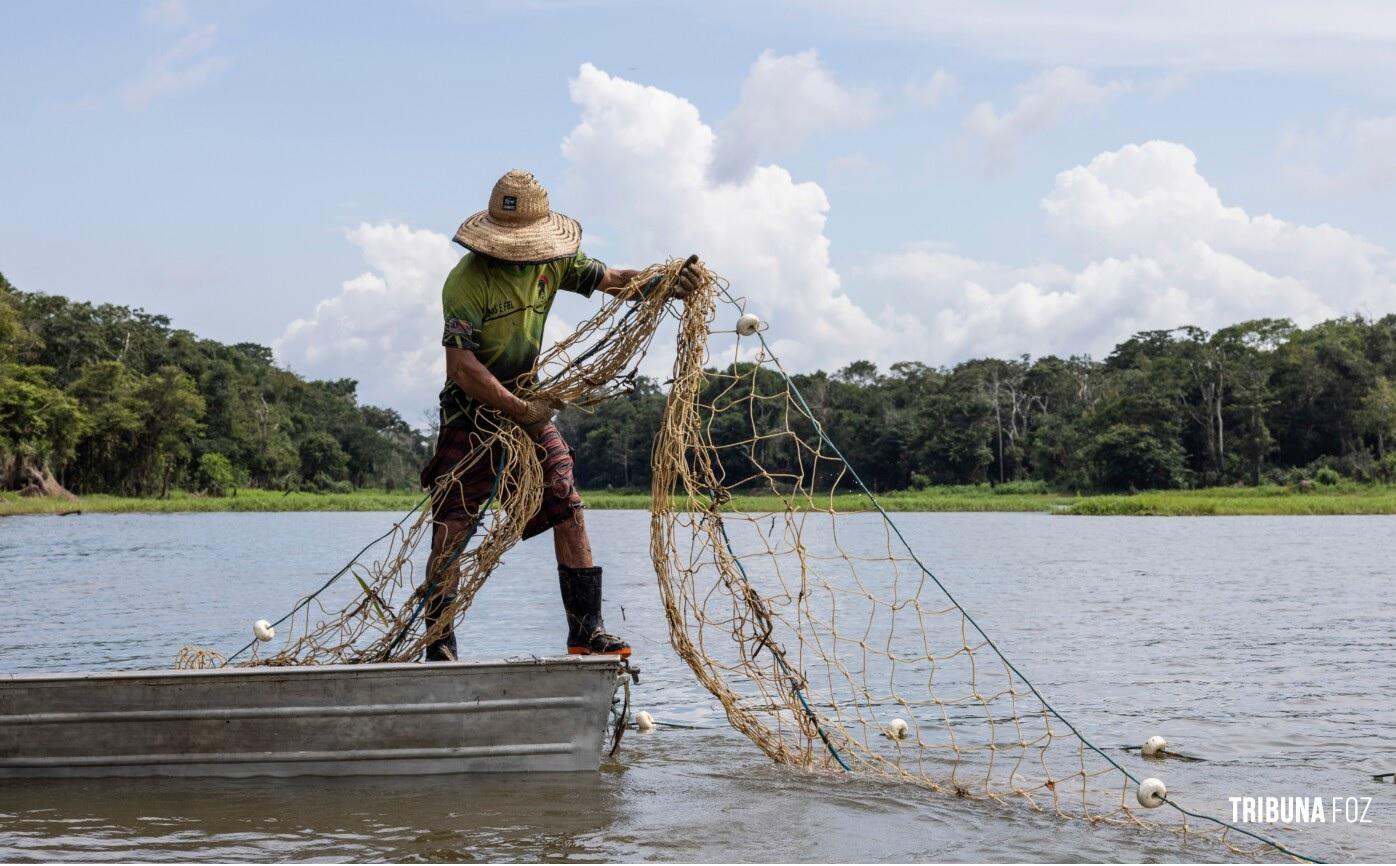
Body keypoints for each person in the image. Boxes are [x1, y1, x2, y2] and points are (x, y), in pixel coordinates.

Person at [417, 169, 701, 662]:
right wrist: (523, 410)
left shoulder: (555, 263)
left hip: (528, 407)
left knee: (567, 507)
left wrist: (668, 282)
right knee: (454, 524)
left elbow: (615, 280)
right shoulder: (465, 282)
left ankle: (585, 632)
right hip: (471, 416)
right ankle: (439, 641)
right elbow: (462, 367)